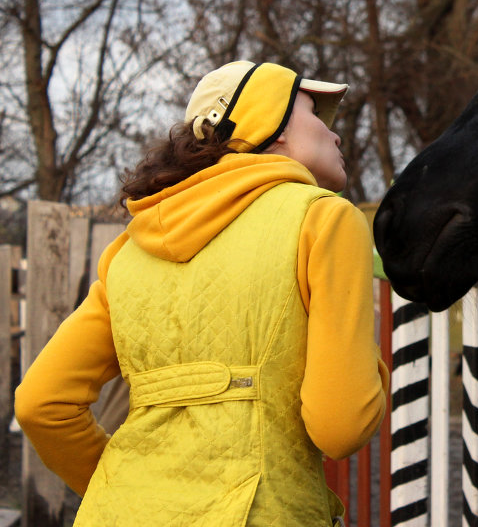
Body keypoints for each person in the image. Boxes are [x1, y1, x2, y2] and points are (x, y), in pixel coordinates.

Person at [16, 60, 388, 526]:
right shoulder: (325, 220)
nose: (335, 135)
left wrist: (125, 491)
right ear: (270, 127)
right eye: (315, 114)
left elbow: (41, 404)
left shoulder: (128, 250)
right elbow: (341, 426)